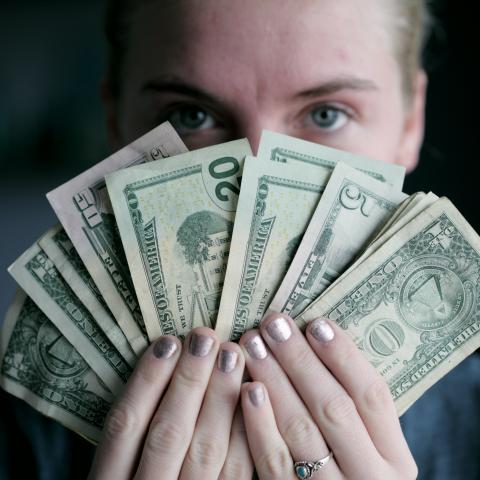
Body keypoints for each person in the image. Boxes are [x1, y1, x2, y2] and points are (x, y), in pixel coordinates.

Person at [2, 0, 479, 479]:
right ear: (115, 122)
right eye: (189, 115)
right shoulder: (18, 436)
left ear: (412, 122)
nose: (252, 171)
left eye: (328, 114)